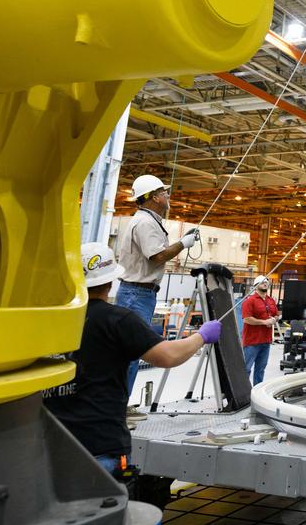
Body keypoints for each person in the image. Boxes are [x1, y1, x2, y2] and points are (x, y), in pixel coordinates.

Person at [44, 243, 220, 475]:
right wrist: (202, 336)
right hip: (99, 447)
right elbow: (167, 356)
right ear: (110, 282)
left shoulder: (49, 320)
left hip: (49, 446)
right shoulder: (117, 320)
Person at [114, 174, 201, 399]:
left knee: (132, 352)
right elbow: (157, 256)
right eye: (164, 193)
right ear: (153, 198)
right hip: (137, 294)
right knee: (131, 353)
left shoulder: (148, 220)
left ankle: (121, 407)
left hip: (139, 294)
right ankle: (119, 408)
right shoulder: (145, 222)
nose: (167, 196)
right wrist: (183, 244)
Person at [241, 275, 279, 385]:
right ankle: (243, 394)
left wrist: (273, 320)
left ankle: (256, 393)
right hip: (252, 342)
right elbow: (247, 319)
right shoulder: (249, 301)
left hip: (266, 341)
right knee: (246, 369)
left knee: (260, 369)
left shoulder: (271, 300)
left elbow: (276, 315)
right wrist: (264, 322)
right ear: (256, 286)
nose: (265, 283)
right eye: (262, 282)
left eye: (266, 282)